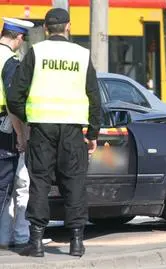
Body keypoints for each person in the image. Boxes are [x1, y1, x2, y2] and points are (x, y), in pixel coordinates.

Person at [7, 8, 101, 257]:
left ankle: (36, 243)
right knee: (74, 184)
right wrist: (92, 134)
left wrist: (30, 119)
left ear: (46, 29)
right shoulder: (82, 55)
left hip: (42, 129)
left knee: (39, 183)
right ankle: (77, 242)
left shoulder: (36, 53)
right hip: (72, 131)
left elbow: (14, 96)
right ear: (68, 27)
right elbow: (94, 97)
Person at [0, 17, 33, 249]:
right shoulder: (10, 62)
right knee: (5, 184)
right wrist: (21, 135)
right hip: (4, 127)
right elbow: (13, 103)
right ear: (19, 38)